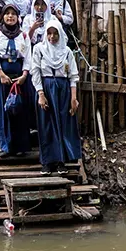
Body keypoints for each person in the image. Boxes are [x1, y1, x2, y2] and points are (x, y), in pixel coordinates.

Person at [30, 20, 81, 175]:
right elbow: (35, 71)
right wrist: (40, 94)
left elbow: (73, 75)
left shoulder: (66, 51)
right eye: (49, 33)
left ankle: (61, 161)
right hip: (46, 88)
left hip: (63, 90)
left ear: (60, 33)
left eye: (55, 33)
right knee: (46, 126)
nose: (52, 37)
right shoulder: (39, 49)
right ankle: (47, 162)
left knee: (62, 124)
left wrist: (73, 98)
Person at [0, 1, 35, 156]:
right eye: (7, 13)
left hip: (20, 78)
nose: (10, 17)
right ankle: (6, 146)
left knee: (20, 109)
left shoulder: (24, 36)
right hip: (2, 78)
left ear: (18, 17)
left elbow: (28, 57)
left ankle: (21, 147)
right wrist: (0, 74)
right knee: (4, 109)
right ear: (3, 17)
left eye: (13, 14)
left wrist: (24, 75)